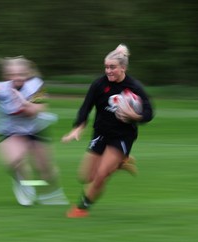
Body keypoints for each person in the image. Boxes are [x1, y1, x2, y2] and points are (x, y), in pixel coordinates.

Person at [62, 44, 154, 218]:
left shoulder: (134, 87)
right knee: (86, 177)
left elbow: (149, 113)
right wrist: (78, 127)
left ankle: (81, 208)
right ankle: (121, 162)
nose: (108, 71)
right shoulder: (99, 84)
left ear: (123, 68)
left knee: (100, 176)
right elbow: (85, 108)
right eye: (106, 67)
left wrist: (134, 115)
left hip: (122, 136)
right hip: (101, 133)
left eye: (112, 67)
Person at [0, 56, 68, 206]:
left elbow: (37, 110)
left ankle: (51, 193)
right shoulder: (0, 88)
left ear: (27, 74)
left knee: (44, 168)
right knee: (14, 162)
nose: (17, 78)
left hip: (35, 128)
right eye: (12, 75)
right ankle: (23, 183)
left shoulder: (37, 86)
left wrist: (24, 103)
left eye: (21, 74)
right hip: (9, 130)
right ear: (6, 76)